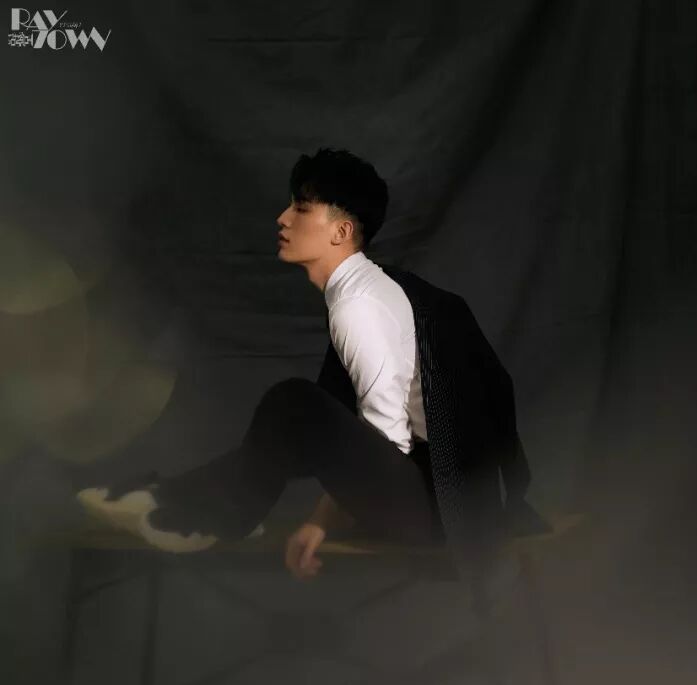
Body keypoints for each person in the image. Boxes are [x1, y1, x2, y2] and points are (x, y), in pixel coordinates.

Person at [77, 148, 537, 580]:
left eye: (300, 208)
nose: (283, 218)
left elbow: (385, 442)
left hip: (441, 514)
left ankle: (201, 512)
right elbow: (335, 441)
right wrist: (319, 519)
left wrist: (321, 520)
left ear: (341, 232)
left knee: (294, 404)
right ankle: (196, 504)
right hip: (438, 496)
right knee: (295, 415)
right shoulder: (370, 290)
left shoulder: (360, 306)